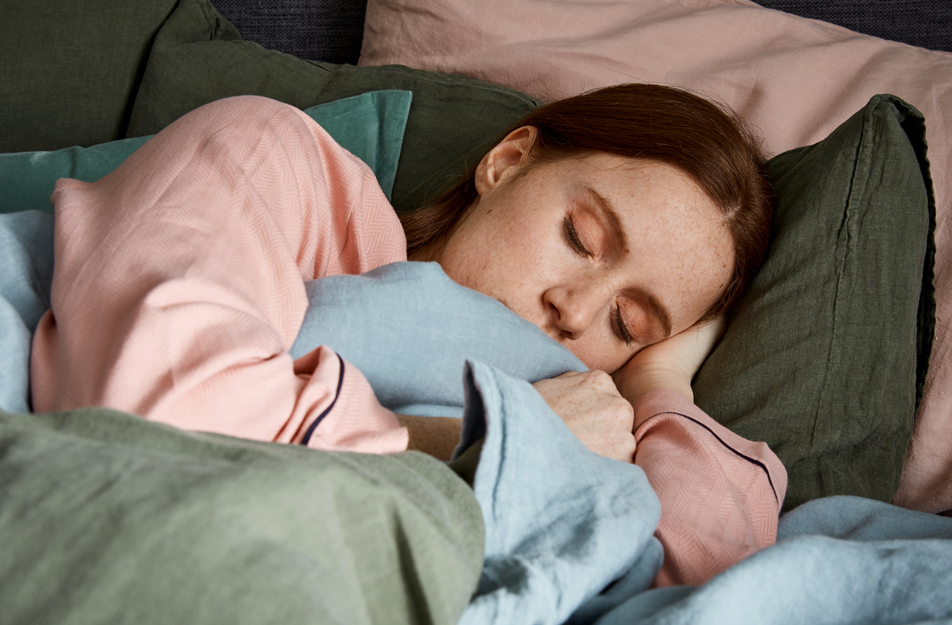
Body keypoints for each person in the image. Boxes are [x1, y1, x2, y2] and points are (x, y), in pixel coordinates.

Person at [30, 84, 785, 587]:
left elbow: (700, 580)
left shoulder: (586, 416)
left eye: (628, 323)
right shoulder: (281, 162)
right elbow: (150, 409)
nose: (575, 309)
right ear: (509, 161)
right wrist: (498, 445)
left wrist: (660, 387)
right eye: (581, 237)